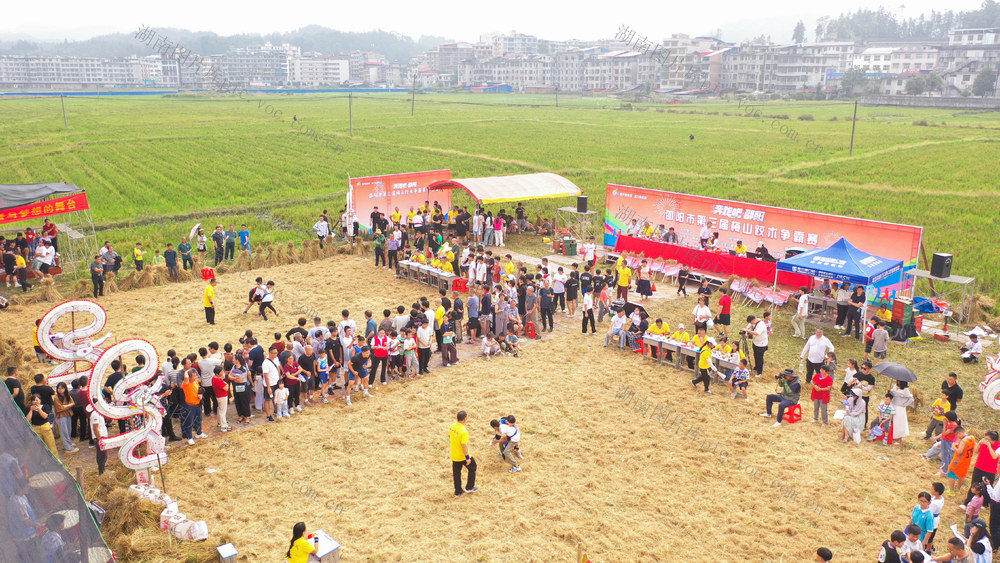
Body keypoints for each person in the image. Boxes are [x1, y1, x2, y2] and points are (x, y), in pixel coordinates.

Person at [450, 411, 478, 496]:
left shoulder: (452, 427)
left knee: (456, 473)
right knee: (473, 467)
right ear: (465, 419)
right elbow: (464, 445)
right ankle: (469, 487)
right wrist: (467, 457)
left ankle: (458, 491)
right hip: (462, 456)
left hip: (454, 454)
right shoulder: (464, 431)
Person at [947, 427, 977, 495]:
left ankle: (951, 491)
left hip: (959, 460)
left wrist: (953, 447)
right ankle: (958, 489)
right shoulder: (972, 438)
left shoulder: (963, 441)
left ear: (960, 433)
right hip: (967, 461)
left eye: (957, 435)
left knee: (951, 474)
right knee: (962, 475)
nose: (957, 437)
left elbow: (960, 451)